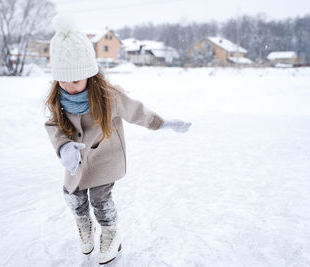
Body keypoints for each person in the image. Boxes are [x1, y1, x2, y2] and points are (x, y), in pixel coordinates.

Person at [44, 14, 191, 265]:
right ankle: (84, 225)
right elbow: (53, 125)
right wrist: (64, 145)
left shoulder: (108, 96)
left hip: (105, 159)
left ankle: (110, 233)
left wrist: (162, 123)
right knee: (72, 196)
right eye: (63, 80)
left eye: (75, 80)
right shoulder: (59, 98)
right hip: (76, 162)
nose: (68, 86)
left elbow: (136, 111)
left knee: (99, 199)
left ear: (89, 74)